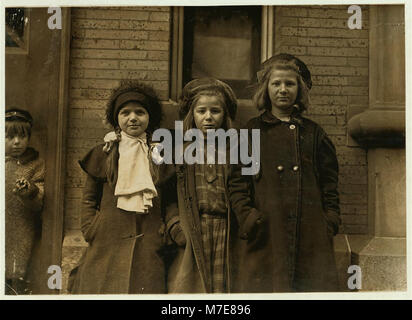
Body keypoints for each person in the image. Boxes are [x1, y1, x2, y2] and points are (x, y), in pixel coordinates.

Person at [233, 54, 341, 292]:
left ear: (299, 90)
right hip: (267, 232)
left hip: (311, 235)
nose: (283, 90)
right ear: (266, 89)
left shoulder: (314, 134)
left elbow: (329, 184)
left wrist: (329, 221)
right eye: (276, 84)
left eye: (290, 84)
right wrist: (248, 217)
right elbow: (238, 181)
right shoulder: (251, 131)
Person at [70, 81, 171, 294]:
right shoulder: (104, 152)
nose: (133, 118)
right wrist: (91, 228)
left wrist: (163, 230)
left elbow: (170, 198)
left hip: (149, 239)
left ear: (149, 117)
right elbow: (89, 198)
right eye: (125, 112)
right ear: (116, 118)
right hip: (107, 239)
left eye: (140, 112)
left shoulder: (159, 155)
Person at [165, 78, 261, 293]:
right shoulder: (180, 152)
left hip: (226, 231)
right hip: (192, 229)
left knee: (224, 289)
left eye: (215, 111)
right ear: (192, 115)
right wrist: (175, 226)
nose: (208, 117)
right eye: (201, 111)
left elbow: (246, 190)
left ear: (225, 115)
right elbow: (168, 195)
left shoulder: (235, 150)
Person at [5, 108, 45, 295]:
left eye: (22, 136)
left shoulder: (35, 164)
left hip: (22, 228)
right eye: (9, 136)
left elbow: (39, 203)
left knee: (16, 277)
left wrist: (28, 190)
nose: (16, 142)